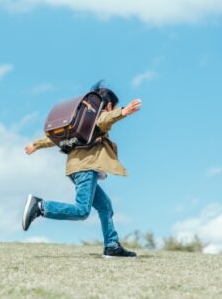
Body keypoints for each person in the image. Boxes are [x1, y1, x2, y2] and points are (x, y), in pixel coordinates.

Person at [22, 80, 142, 258]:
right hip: (85, 169)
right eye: (113, 107)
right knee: (82, 211)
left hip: (77, 168)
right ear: (109, 105)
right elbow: (104, 119)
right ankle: (40, 207)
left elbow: (55, 137)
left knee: (105, 206)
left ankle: (112, 246)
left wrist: (36, 144)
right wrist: (123, 112)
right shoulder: (97, 118)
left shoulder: (80, 121)